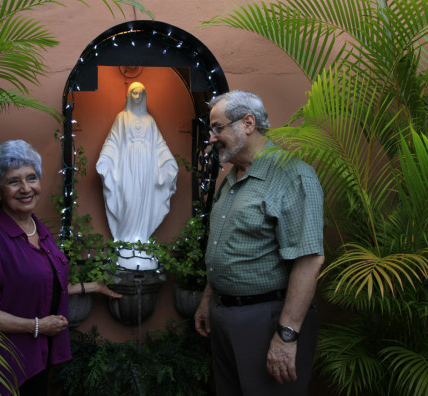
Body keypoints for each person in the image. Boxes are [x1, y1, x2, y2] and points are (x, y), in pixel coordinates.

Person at [0, 140, 121, 396]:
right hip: (8, 365)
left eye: (31, 178)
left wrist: (91, 286)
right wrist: (37, 326)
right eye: (14, 181)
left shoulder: (39, 230)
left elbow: (44, 283)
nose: (26, 188)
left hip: (39, 359)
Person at [194, 91, 325, 395]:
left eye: (218, 128)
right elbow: (228, 246)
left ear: (248, 123)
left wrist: (286, 335)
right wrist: (208, 298)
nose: (212, 138)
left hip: (266, 320)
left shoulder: (292, 175)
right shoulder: (231, 178)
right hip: (225, 316)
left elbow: (309, 260)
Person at [96, 82, 178, 245]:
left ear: (144, 96)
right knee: (128, 198)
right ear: (129, 96)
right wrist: (105, 159)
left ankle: (140, 238)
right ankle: (125, 239)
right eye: (134, 93)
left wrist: (169, 161)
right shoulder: (122, 118)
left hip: (147, 166)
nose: (137, 96)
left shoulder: (150, 121)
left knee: (142, 200)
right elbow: (113, 141)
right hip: (127, 166)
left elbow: (159, 144)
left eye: (141, 93)